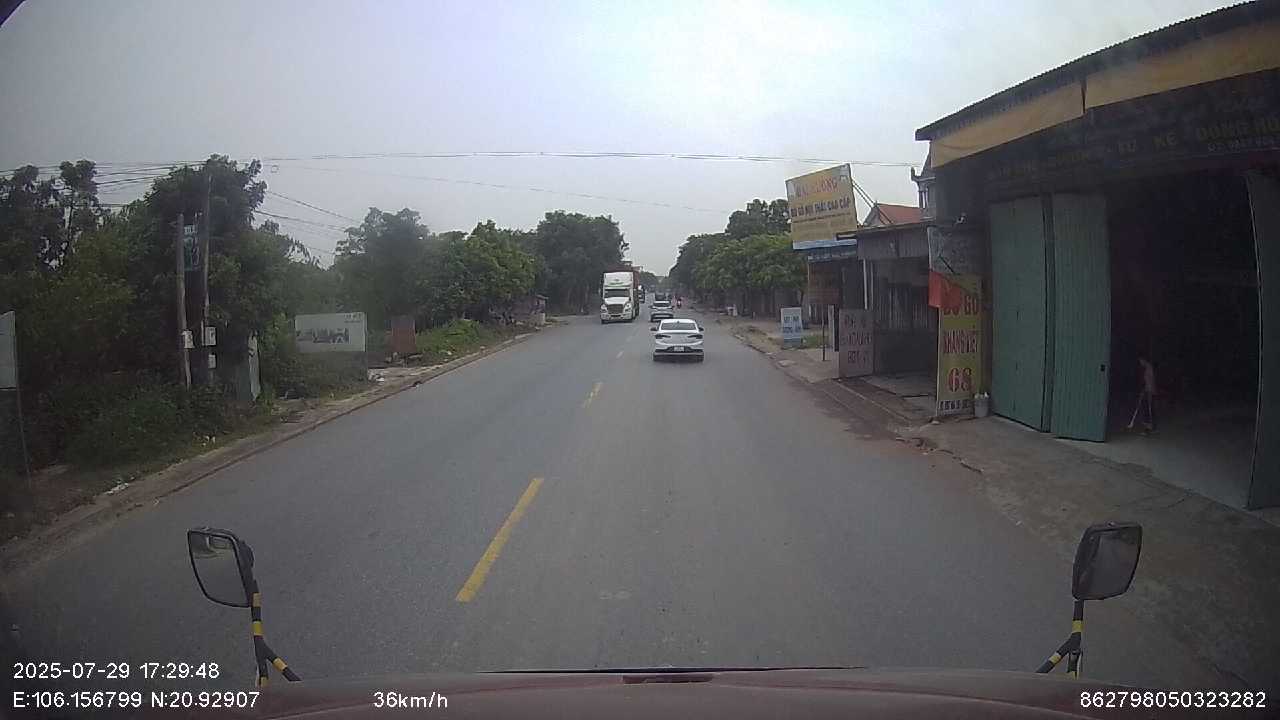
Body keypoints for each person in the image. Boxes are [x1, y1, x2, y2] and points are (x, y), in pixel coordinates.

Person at [1127, 356, 1157, 434]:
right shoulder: (1147, 368)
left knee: (1149, 409)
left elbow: (1150, 381)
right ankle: (1149, 426)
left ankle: (1150, 428)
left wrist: (1148, 391)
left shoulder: (1149, 368)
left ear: (1144, 360)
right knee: (1146, 408)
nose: (1140, 363)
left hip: (1149, 391)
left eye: (1141, 361)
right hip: (1147, 390)